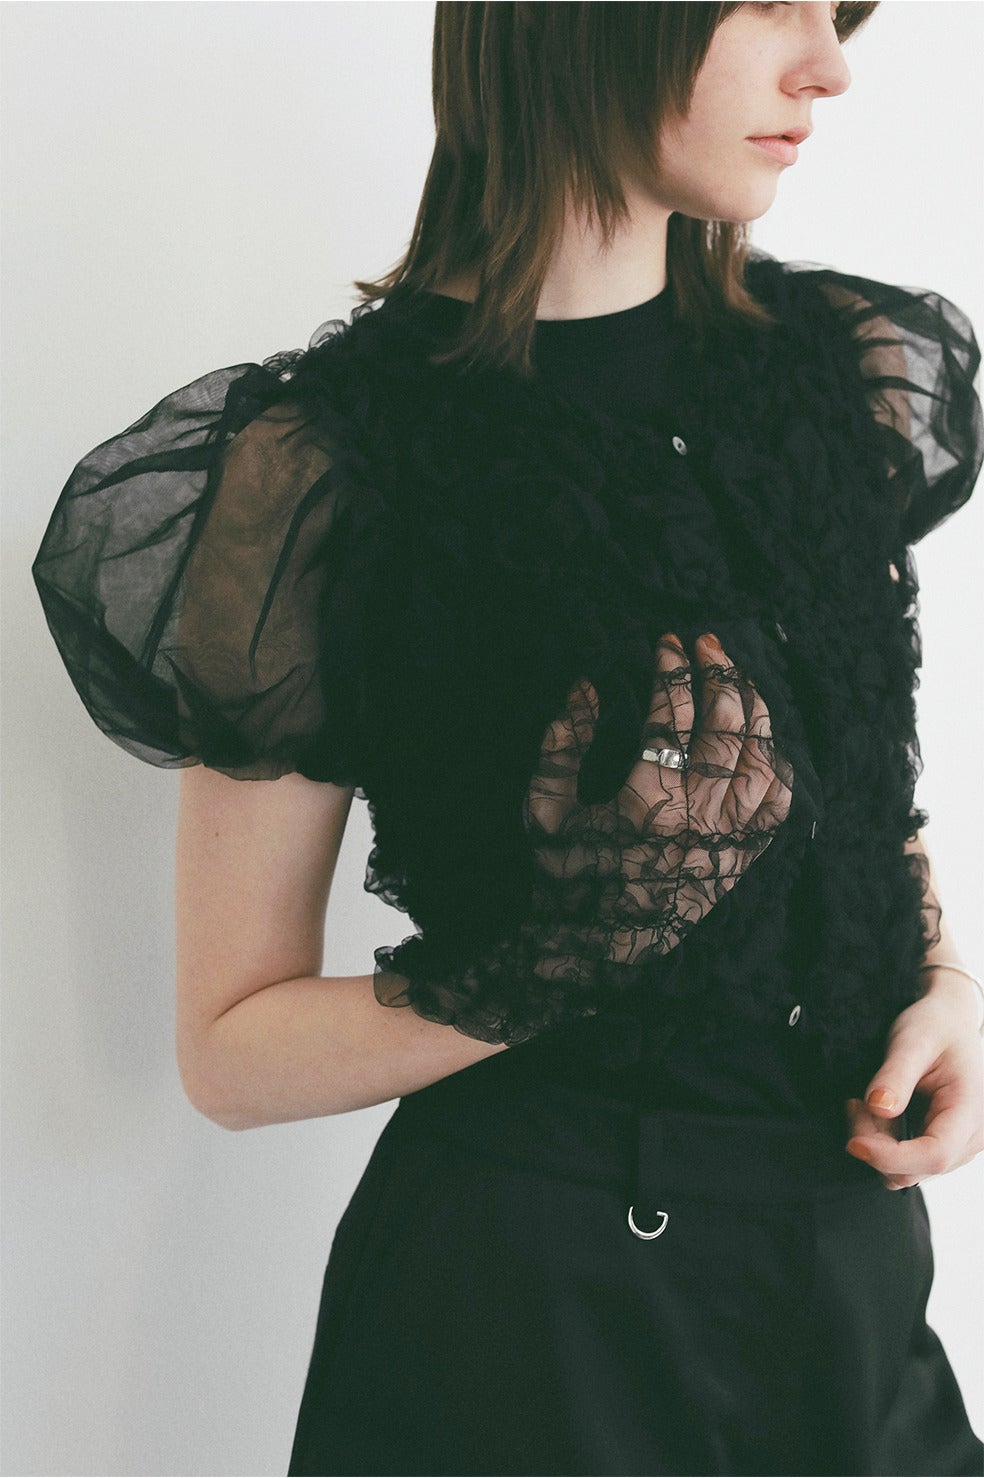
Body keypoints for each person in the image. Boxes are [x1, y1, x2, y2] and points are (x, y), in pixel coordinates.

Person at [31, 2, 984, 1473]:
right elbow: (228, 1048)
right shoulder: (336, 463)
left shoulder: (833, 369)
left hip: (851, 1297)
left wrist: (944, 979)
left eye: (834, 6)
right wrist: (557, 964)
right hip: (533, 1329)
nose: (830, 64)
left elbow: (849, 784)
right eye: (767, 4)